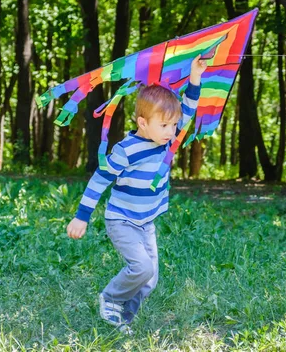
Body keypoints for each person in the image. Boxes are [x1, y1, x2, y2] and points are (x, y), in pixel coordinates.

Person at [66, 55, 207, 334]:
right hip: (122, 220)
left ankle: (121, 318)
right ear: (143, 123)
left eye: (173, 125)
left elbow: (188, 111)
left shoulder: (167, 140)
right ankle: (110, 298)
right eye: (164, 125)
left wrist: (195, 77)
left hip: (146, 222)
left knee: (149, 279)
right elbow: (100, 178)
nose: (171, 131)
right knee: (141, 268)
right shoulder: (126, 149)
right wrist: (82, 216)